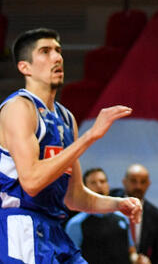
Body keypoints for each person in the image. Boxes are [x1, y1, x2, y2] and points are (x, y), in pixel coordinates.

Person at [0, 28, 142, 263]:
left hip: (54, 229)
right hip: (19, 226)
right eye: (45, 52)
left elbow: (74, 197)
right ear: (25, 67)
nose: (57, 57)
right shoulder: (19, 108)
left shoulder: (66, 119)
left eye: (58, 50)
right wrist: (90, 136)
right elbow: (32, 182)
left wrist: (119, 204)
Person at [66, 167, 147, 264]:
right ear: (85, 189)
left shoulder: (122, 218)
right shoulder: (76, 224)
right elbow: (69, 259)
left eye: (102, 181)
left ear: (108, 185)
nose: (99, 186)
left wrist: (139, 260)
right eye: (93, 183)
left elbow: (131, 251)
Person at [112, 163, 158, 264]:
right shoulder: (110, 204)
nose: (138, 186)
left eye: (143, 182)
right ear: (124, 182)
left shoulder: (156, 215)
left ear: (149, 184)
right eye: (133, 181)